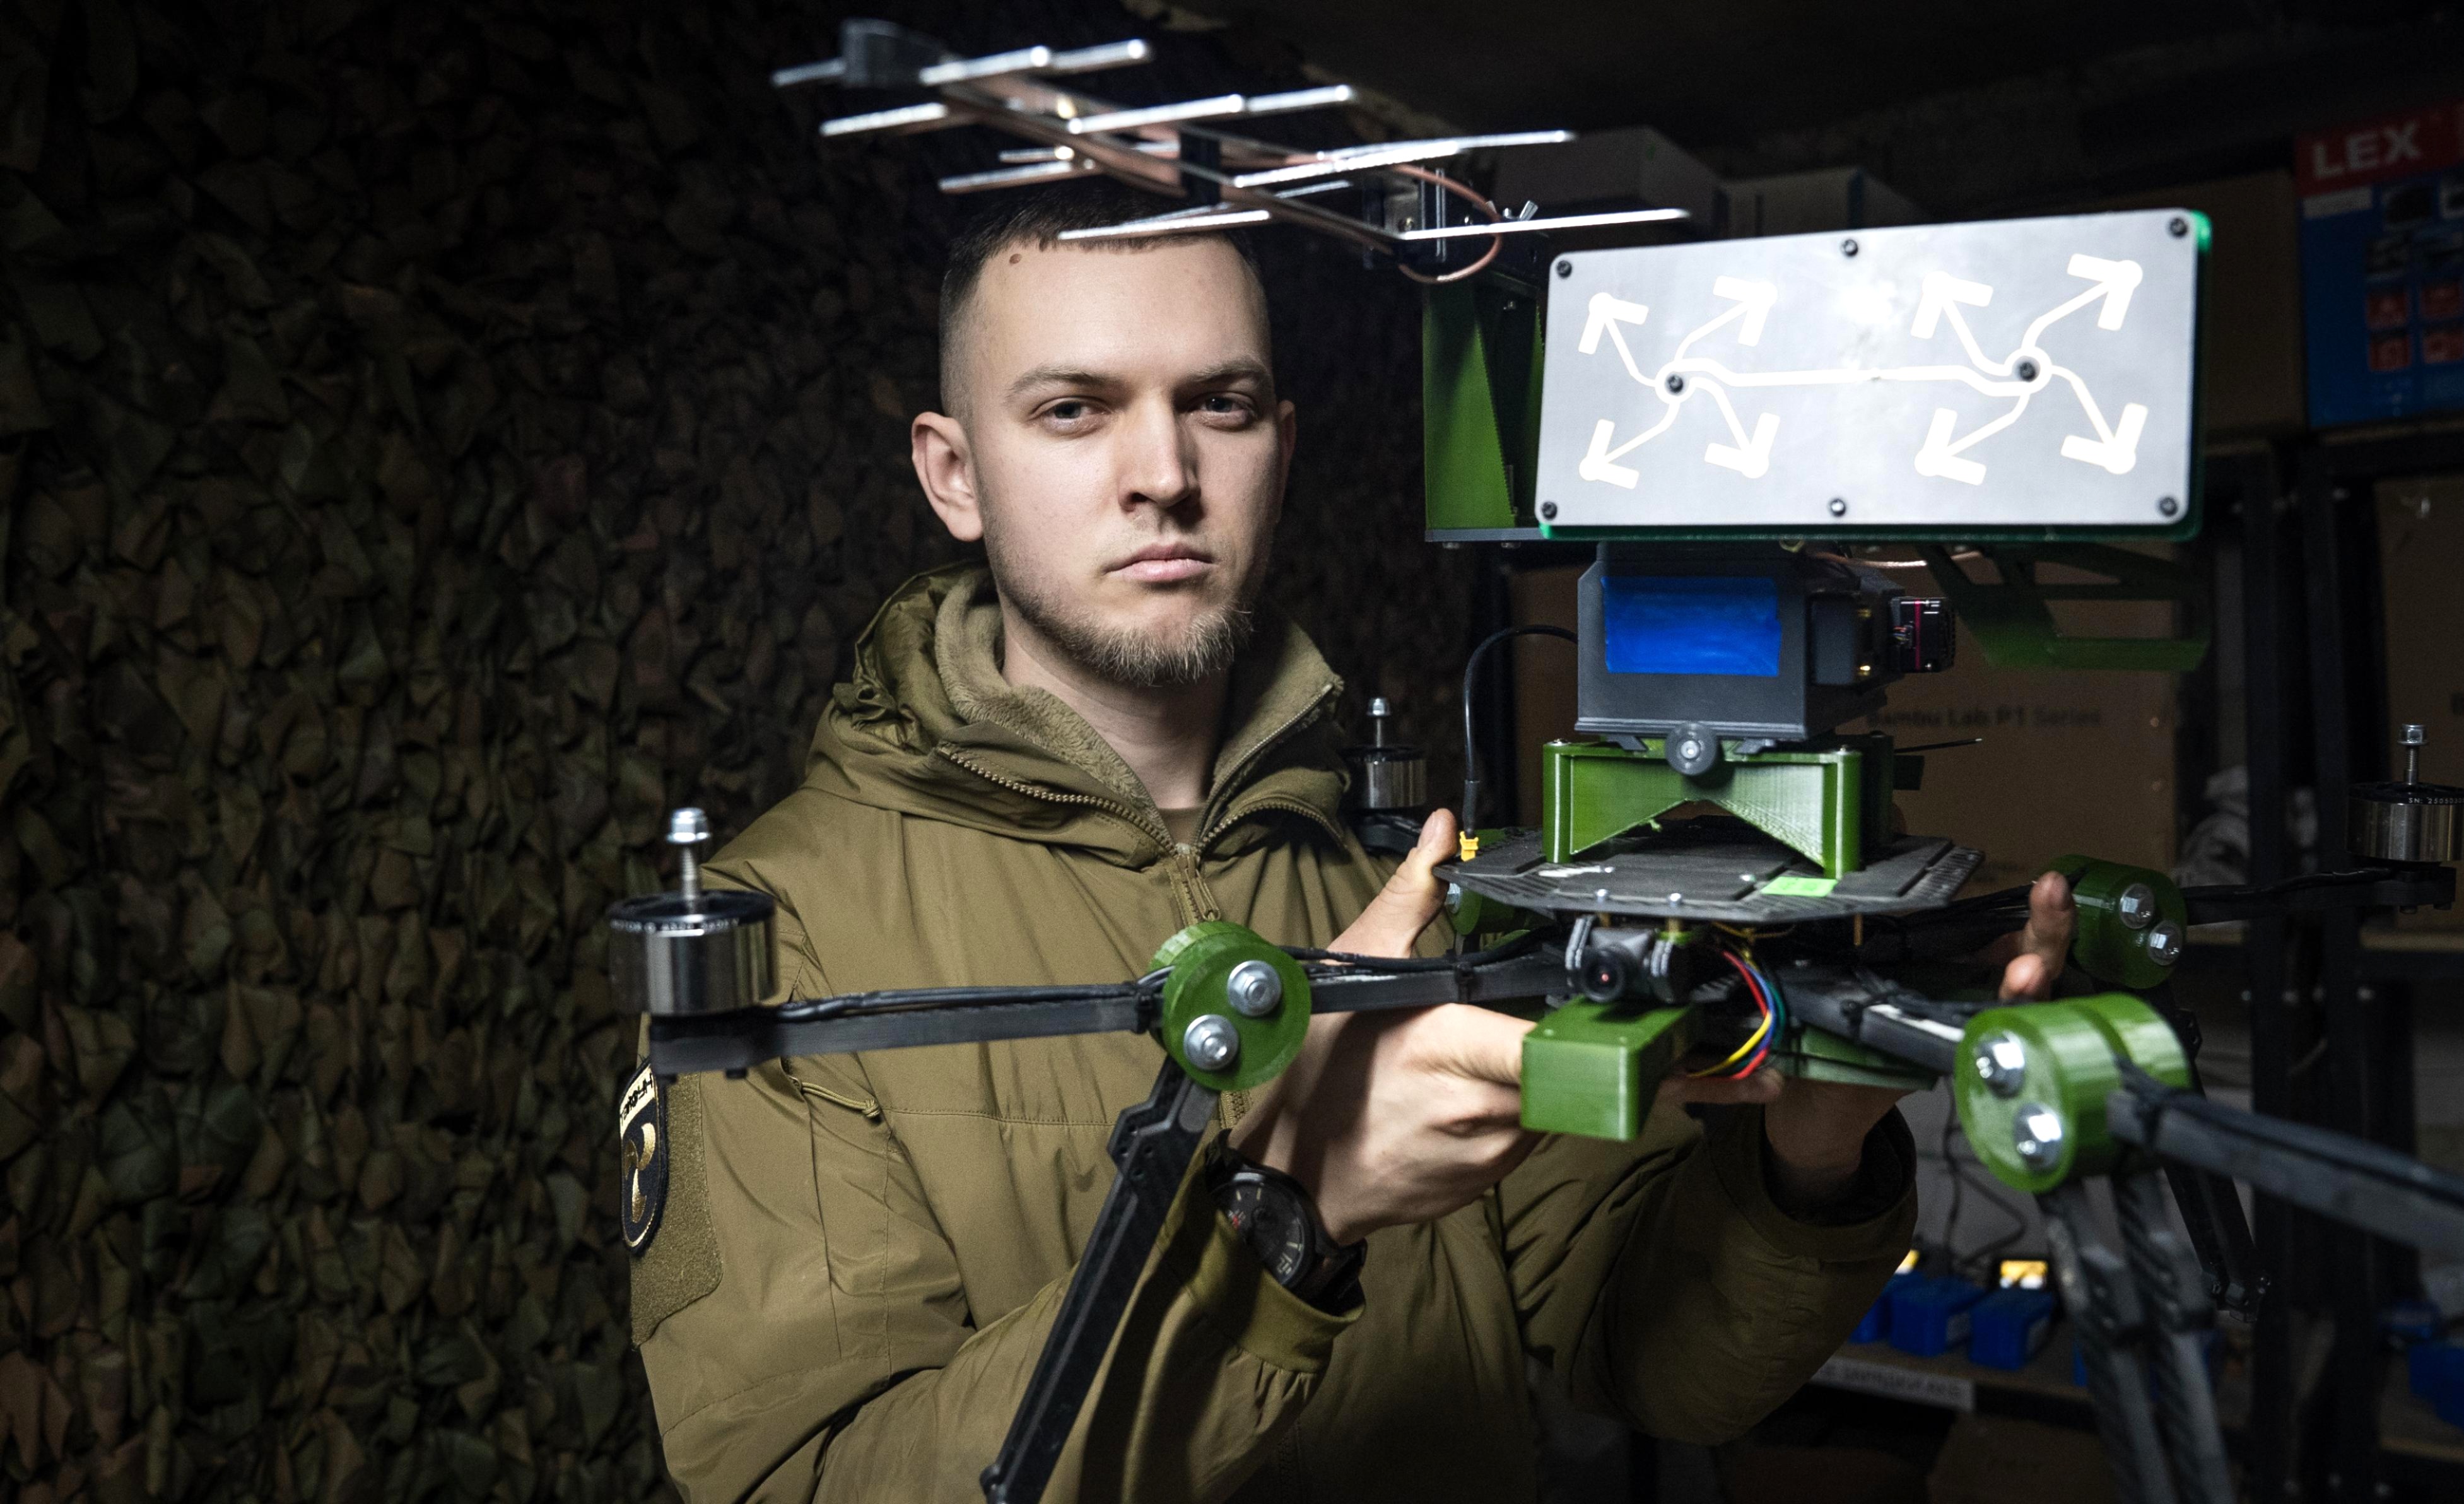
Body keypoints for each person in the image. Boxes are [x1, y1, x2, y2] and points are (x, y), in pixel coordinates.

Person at [628, 182, 2075, 1503]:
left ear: (1282, 445)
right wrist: (1284, 1214)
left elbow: (1658, 1363)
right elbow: (806, 1483)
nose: (1163, 473)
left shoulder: (1410, 877)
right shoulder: (789, 939)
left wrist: (1812, 1160)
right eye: (1072, 409)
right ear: (953, 474)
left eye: (1222, 403)